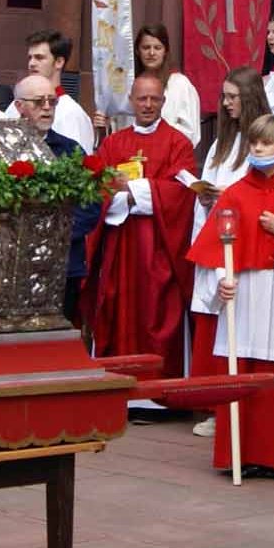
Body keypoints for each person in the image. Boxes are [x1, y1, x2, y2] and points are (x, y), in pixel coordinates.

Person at [187, 113, 274, 477]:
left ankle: (273, 457)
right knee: (240, 370)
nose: (258, 149)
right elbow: (213, 250)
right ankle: (236, 453)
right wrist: (221, 280)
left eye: (266, 143)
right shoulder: (236, 194)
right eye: (254, 143)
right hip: (242, 291)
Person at [80, 71, 197, 389]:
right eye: (141, 98)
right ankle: (118, 385)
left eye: (154, 99)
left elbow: (182, 191)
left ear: (164, 101)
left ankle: (158, 390)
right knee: (118, 310)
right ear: (131, 100)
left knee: (158, 310)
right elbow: (97, 187)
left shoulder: (178, 143)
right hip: (120, 245)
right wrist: (116, 193)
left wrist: (133, 191)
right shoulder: (114, 143)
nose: (147, 105)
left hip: (160, 246)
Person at [189, 68, 273, 437]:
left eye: (233, 97)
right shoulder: (221, 143)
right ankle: (212, 404)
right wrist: (208, 196)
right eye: (224, 97)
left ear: (251, 97)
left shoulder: (263, 141)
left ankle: (231, 407)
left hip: (243, 244)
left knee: (237, 326)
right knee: (211, 324)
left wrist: (231, 198)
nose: (225, 104)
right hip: (214, 235)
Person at [10, 74, 98, 321]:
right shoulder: (3, 148)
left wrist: (54, 237)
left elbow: (90, 205)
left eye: (52, 101)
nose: (47, 108)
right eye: (39, 102)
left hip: (64, 265)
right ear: (19, 106)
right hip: (15, 265)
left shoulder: (71, 151)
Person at [110, 24, 201, 144]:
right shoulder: (127, 84)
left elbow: (190, 131)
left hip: (167, 156)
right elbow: (118, 125)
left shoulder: (180, 85)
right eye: (146, 47)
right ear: (137, 50)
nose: (151, 53)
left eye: (157, 48)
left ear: (165, 51)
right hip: (131, 156)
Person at [25, 29, 95, 153]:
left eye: (39, 58)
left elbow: (76, 164)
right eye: (30, 58)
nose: (31, 63)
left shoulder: (72, 114)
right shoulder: (16, 104)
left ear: (59, 62)